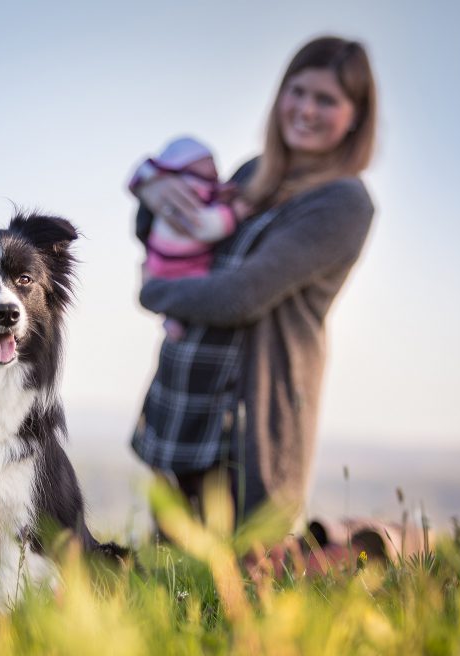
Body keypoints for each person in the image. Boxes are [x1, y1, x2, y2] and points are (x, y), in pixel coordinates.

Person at [130, 36, 377, 532]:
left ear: (355, 115)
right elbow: (165, 236)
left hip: (246, 412)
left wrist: (152, 291)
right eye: (297, 91)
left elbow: (242, 296)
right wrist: (154, 189)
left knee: (243, 574)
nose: (306, 109)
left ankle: (368, 541)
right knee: (169, 579)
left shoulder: (343, 202)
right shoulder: (252, 175)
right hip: (185, 395)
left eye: (326, 99)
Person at [129, 136, 246, 339]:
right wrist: (234, 213)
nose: (215, 169)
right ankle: (172, 321)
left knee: (168, 296)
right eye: (206, 162)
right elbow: (204, 226)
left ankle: (171, 320)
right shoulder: (185, 191)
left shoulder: (188, 186)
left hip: (162, 264)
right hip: (183, 265)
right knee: (178, 295)